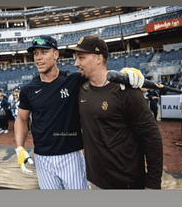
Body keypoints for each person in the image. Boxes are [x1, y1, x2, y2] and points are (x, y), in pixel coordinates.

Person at [14, 35, 144, 190]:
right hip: (42, 158)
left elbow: (101, 75)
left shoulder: (74, 80)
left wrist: (126, 74)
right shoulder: (28, 89)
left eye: (44, 52)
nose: (38, 58)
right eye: (35, 54)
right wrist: (20, 148)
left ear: (56, 54)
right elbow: (21, 119)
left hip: (71, 156)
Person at [69, 35, 163, 189]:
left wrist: (153, 184)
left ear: (99, 58)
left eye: (81, 58)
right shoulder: (81, 90)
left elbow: (151, 137)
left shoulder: (126, 91)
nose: (76, 63)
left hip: (126, 183)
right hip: (95, 181)